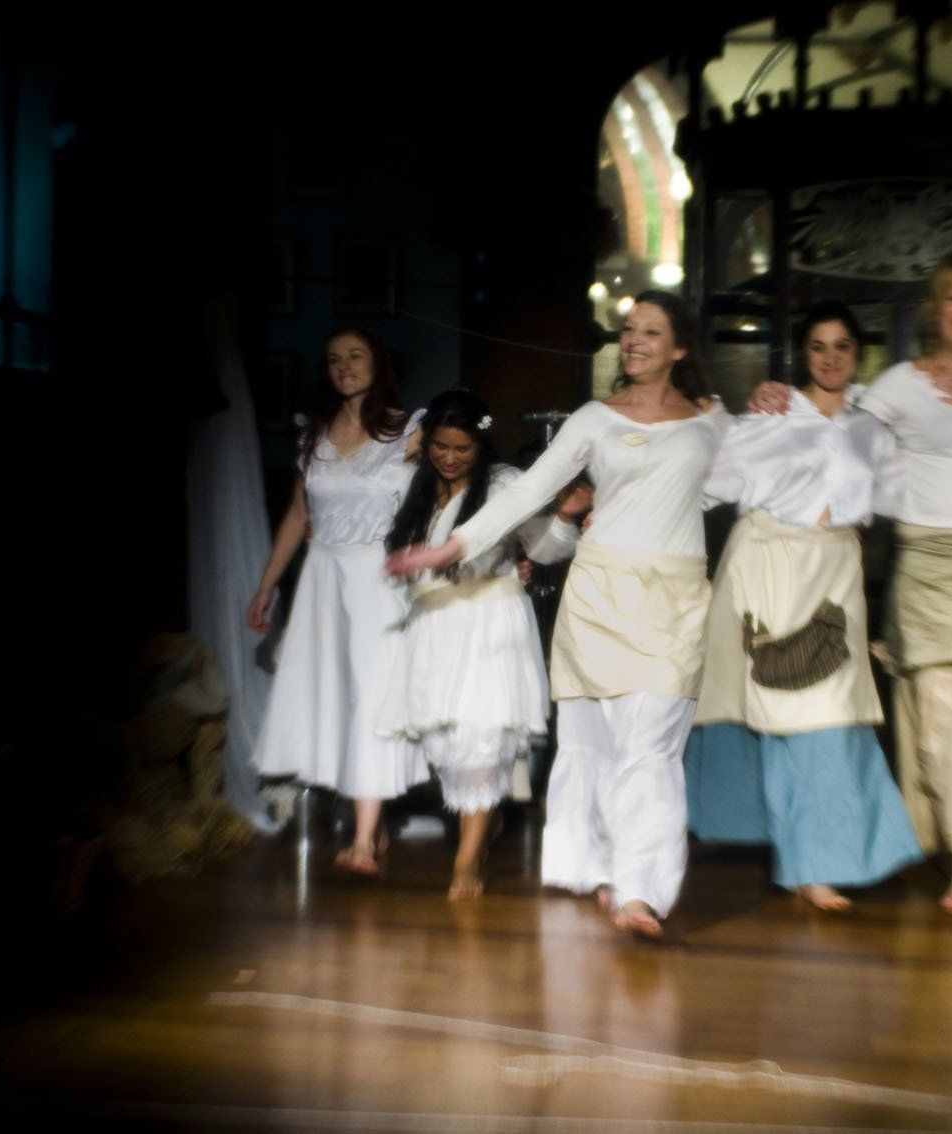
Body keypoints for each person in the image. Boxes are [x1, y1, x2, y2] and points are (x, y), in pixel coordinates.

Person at [387, 291, 728, 937]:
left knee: (652, 744)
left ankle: (640, 892)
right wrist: (454, 546)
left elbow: (739, 480)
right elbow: (530, 490)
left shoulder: (710, 420)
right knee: (593, 740)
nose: (634, 340)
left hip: (674, 598)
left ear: (680, 347)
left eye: (651, 331)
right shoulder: (595, 418)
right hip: (599, 593)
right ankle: (598, 866)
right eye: (628, 329)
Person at [751, 254, 952, 916]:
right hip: (926, 565)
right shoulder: (901, 382)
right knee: (938, 722)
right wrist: (776, 402)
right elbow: (836, 429)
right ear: (935, 310)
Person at [686, 302, 923, 911]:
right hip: (767, 569)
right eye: (818, 346)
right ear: (802, 355)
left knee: (832, 716)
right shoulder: (767, 417)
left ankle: (820, 856)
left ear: (858, 353)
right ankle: (807, 862)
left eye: (842, 345)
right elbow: (708, 486)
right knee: (779, 712)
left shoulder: (874, 428)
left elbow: (902, 501)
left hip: (834, 574)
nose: (830, 357)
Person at [382, 389, 590, 900]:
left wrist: (564, 518)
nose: (450, 458)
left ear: (481, 445)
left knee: (482, 739)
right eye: (440, 446)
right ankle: (485, 821)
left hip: (490, 621)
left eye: (462, 449)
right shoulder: (413, 483)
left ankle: (467, 857)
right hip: (435, 625)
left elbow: (545, 549)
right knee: (448, 747)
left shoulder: (503, 483)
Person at [247, 326, 426, 876]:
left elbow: (442, 496)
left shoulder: (408, 431)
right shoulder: (313, 434)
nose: (344, 366)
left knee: (372, 696)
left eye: (355, 355)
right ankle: (368, 819)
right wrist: (267, 585)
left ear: (377, 363)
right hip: (322, 576)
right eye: (333, 359)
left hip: (378, 577)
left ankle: (364, 839)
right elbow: (297, 515)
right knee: (333, 695)